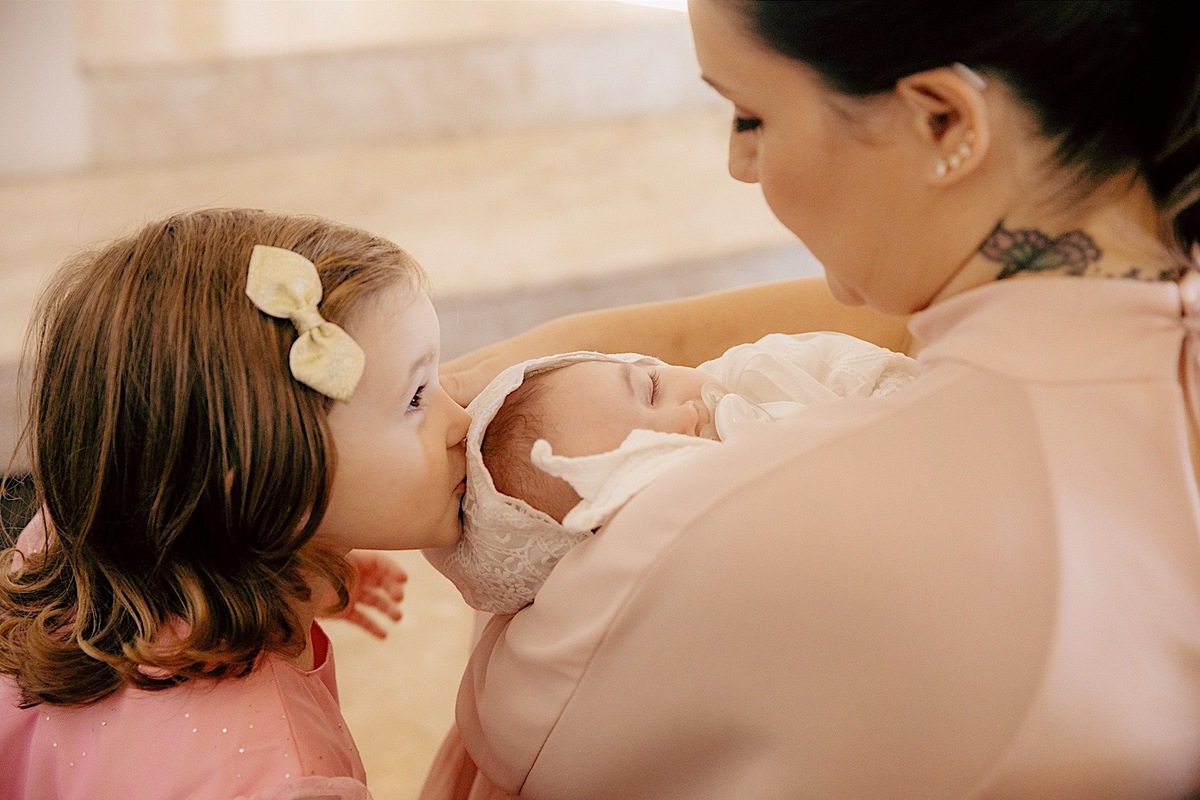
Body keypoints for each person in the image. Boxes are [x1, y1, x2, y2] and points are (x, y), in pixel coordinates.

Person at [422, 1, 1200, 797]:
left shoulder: (709, 540)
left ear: (941, 120)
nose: (739, 161)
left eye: (752, 114)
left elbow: (519, 737)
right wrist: (606, 342)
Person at [0, 207, 470, 799]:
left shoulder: (70, 549)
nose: (462, 421)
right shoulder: (284, 780)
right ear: (264, 482)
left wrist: (298, 578)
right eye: (416, 397)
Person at [430, 333, 916, 614]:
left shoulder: (753, 371)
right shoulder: (716, 563)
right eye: (647, 456)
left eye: (651, 387)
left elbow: (882, 379)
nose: (685, 418)